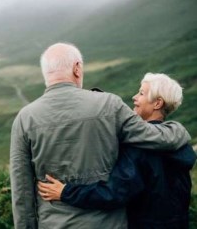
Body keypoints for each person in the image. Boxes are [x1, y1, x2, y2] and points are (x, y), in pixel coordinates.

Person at [10, 43, 191, 229]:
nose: (136, 97)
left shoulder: (24, 119)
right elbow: (154, 137)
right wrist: (179, 130)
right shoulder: (109, 105)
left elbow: (21, 192)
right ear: (77, 68)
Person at [37, 73, 196, 228]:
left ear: (157, 103)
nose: (134, 97)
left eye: (141, 93)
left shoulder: (140, 148)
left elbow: (114, 193)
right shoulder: (180, 144)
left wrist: (65, 192)